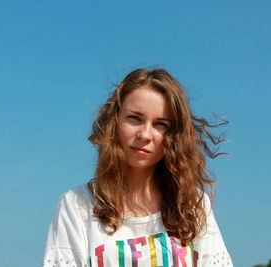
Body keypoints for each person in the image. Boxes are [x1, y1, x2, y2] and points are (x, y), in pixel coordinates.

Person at [43, 68, 233, 266]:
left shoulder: (193, 204)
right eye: (135, 118)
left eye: (161, 124)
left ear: (174, 135)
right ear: (114, 121)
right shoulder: (76, 205)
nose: (145, 135)